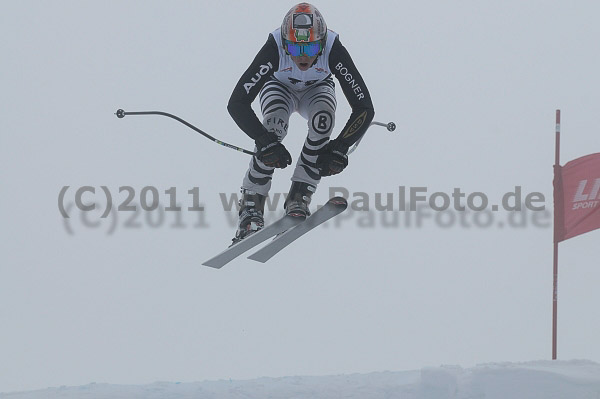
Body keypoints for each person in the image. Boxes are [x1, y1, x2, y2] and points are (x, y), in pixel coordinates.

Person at [227, 2, 375, 244]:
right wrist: (265, 142)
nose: (303, 57)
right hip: (279, 87)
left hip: (317, 88)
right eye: (295, 49)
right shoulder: (274, 47)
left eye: (312, 47)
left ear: (322, 41)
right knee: (274, 124)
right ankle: (251, 207)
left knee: (323, 120)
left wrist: (340, 147)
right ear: (285, 43)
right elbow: (237, 103)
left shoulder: (333, 47)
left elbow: (364, 108)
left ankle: (300, 195)